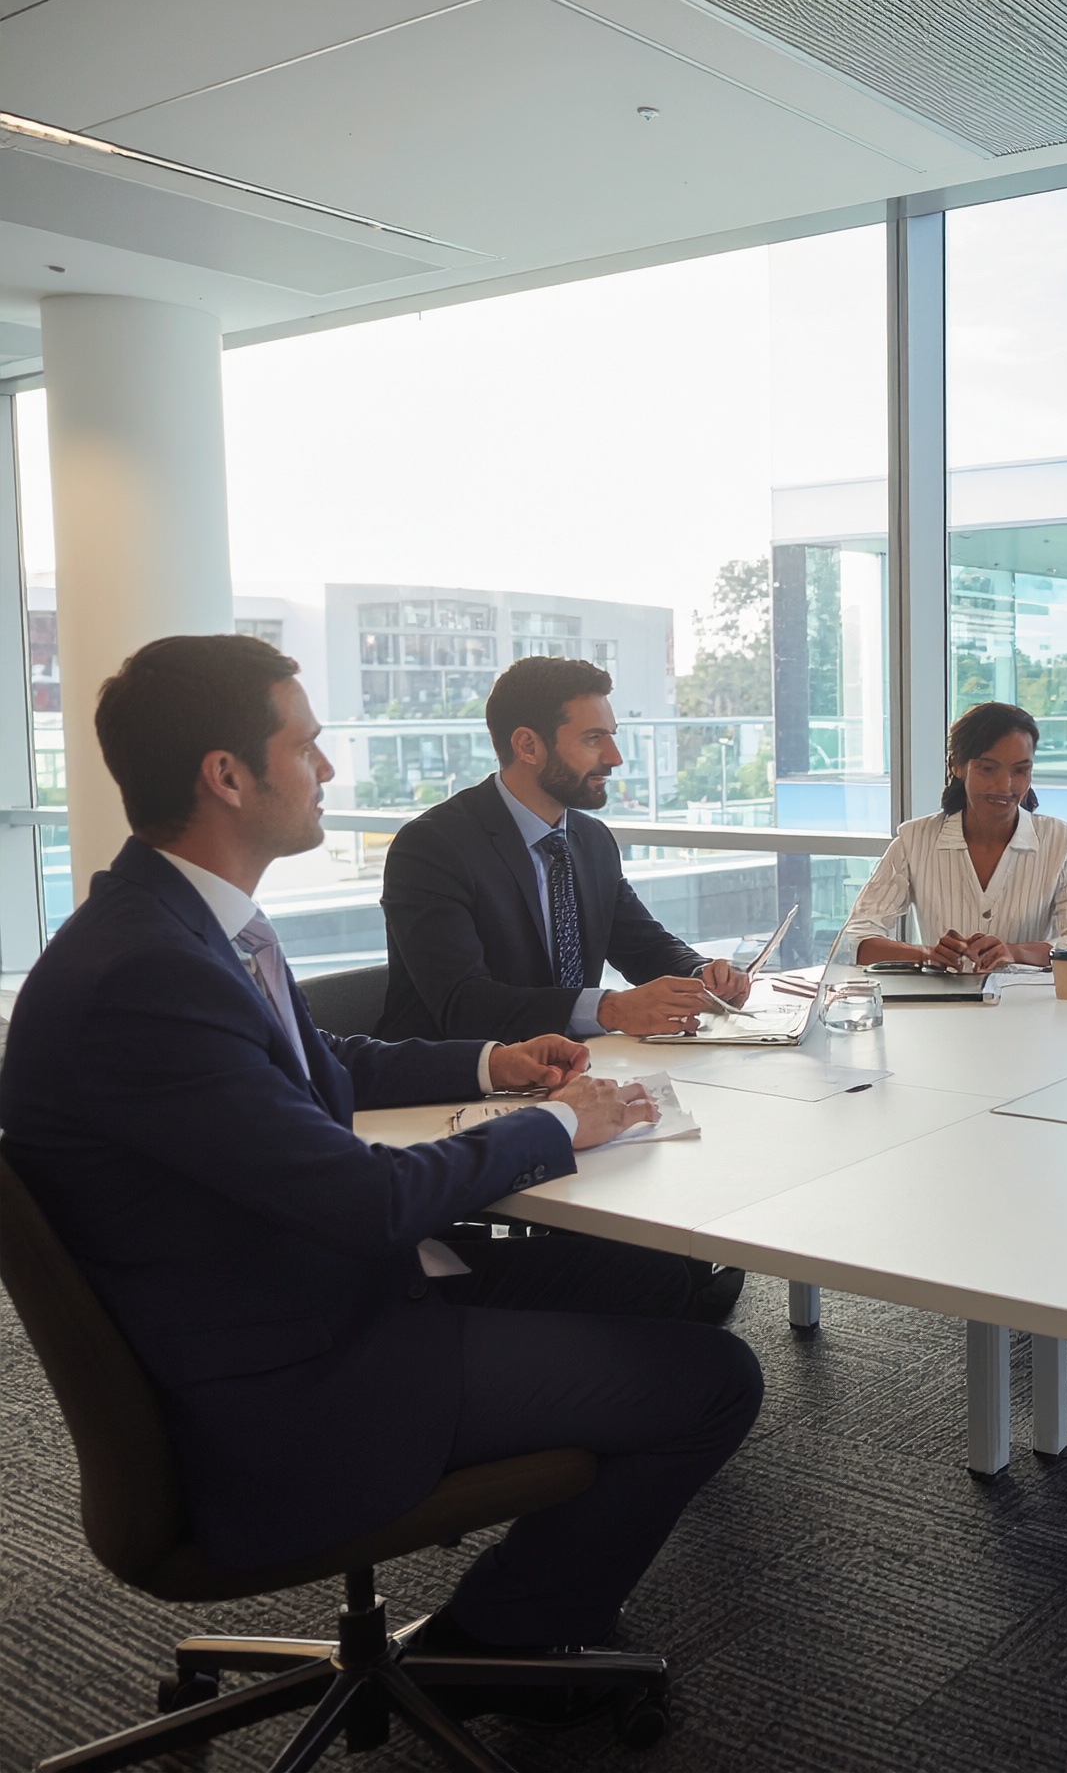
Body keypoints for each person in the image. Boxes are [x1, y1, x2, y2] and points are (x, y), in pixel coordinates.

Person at [0, 636, 762, 1723]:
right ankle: (489, 1642)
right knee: (717, 1380)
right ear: (227, 774)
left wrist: (499, 1064)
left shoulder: (181, 926)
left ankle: (524, 1601)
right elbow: (365, 1202)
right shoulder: (144, 976)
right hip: (292, 1379)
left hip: (305, 1299)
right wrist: (552, 1124)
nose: (329, 771)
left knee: (655, 1285)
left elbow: (325, 1066)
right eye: (307, 746)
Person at [378, 656, 752, 1044]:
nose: (614, 758)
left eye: (612, 736)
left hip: (566, 1073)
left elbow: (642, 946)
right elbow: (465, 1006)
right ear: (527, 745)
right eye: (593, 738)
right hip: (453, 1086)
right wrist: (611, 1009)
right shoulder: (432, 848)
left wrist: (703, 975)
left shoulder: (590, 840)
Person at [840, 701, 1067, 971]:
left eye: (1020, 770)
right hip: (942, 1008)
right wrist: (926, 955)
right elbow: (855, 939)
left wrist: (1014, 952)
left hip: (1029, 1005)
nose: (1005, 785)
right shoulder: (914, 839)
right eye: (988, 768)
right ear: (956, 766)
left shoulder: (1063, 841)